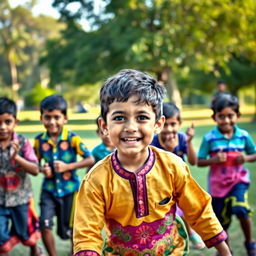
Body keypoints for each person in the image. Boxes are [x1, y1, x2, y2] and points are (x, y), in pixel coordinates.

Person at [73, 69, 231, 255]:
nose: (131, 127)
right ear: (104, 126)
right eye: (119, 118)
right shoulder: (96, 179)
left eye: (142, 117)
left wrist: (224, 251)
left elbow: (199, 210)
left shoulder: (172, 166)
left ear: (158, 124)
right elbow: (86, 234)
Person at [34, 95, 95, 256]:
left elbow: (90, 159)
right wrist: (42, 169)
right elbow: (35, 164)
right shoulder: (39, 141)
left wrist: (68, 166)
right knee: (44, 224)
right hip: (49, 190)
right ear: (42, 118)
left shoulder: (72, 138)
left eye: (56, 117)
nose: (52, 122)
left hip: (70, 191)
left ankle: (74, 252)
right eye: (48, 117)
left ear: (65, 118)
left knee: (71, 228)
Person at [197, 94, 256, 256]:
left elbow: (254, 154)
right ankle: (226, 251)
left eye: (230, 116)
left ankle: (250, 242)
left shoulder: (243, 136)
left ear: (238, 115)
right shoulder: (209, 138)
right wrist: (215, 159)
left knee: (241, 209)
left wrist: (245, 158)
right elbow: (199, 161)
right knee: (222, 221)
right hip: (218, 187)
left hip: (238, 181)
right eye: (221, 116)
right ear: (214, 117)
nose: (226, 120)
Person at [151, 102, 205, 250]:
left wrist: (188, 142)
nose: (169, 129)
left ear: (179, 124)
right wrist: (168, 149)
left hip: (180, 184)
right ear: (158, 123)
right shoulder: (153, 142)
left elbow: (193, 161)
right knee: (166, 216)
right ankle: (165, 240)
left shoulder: (181, 138)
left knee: (184, 211)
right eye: (165, 124)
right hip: (161, 186)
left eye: (173, 124)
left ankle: (191, 234)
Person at [0, 97, 44, 256]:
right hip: (0, 201)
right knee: (1, 241)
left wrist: (17, 158)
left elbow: (35, 169)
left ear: (15, 122)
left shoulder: (22, 142)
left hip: (21, 199)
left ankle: (35, 249)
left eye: (7, 122)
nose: (3, 127)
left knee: (29, 236)